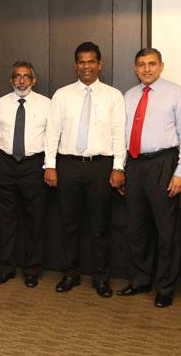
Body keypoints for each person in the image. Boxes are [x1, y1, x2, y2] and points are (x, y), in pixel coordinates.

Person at [45, 42, 126, 298]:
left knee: (99, 225)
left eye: (91, 61)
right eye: (82, 61)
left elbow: (118, 135)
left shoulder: (113, 95)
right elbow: (52, 132)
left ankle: (101, 278)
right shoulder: (62, 94)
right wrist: (50, 165)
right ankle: (70, 273)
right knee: (69, 224)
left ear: (99, 64)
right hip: (67, 165)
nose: (86, 66)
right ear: (75, 65)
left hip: (100, 167)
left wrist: (118, 167)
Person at [116, 48, 181, 308]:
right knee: (136, 228)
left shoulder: (176, 93)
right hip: (135, 164)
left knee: (166, 230)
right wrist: (123, 168)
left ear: (161, 66)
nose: (147, 69)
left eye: (152, 64)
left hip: (164, 163)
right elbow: (123, 135)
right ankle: (140, 280)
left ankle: (165, 287)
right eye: (141, 64)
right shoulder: (129, 95)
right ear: (135, 68)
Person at [0, 62, 50, 287]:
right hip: (5, 164)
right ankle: (5, 267)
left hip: (34, 165)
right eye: (17, 76)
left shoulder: (47, 104)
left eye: (26, 77)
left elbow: (52, 136)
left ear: (33, 81)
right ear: (11, 80)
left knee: (35, 220)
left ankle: (32, 270)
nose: (21, 80)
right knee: (5, 220)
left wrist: (48, 165)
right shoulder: (0, 104)